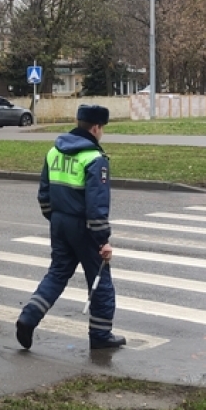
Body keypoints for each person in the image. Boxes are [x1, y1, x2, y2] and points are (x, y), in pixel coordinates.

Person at [16, 105, 124, 352]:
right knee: (99, 279)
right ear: (96, 128)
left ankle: (28, 317)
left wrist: (54, 218)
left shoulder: (54, 151)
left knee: (56, 274)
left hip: (59, 222)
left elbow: (43, 193)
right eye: (102, 129)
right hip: (84, 227)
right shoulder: (95, 160)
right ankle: (100, 334)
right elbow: (97, 206)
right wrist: (103, 240)